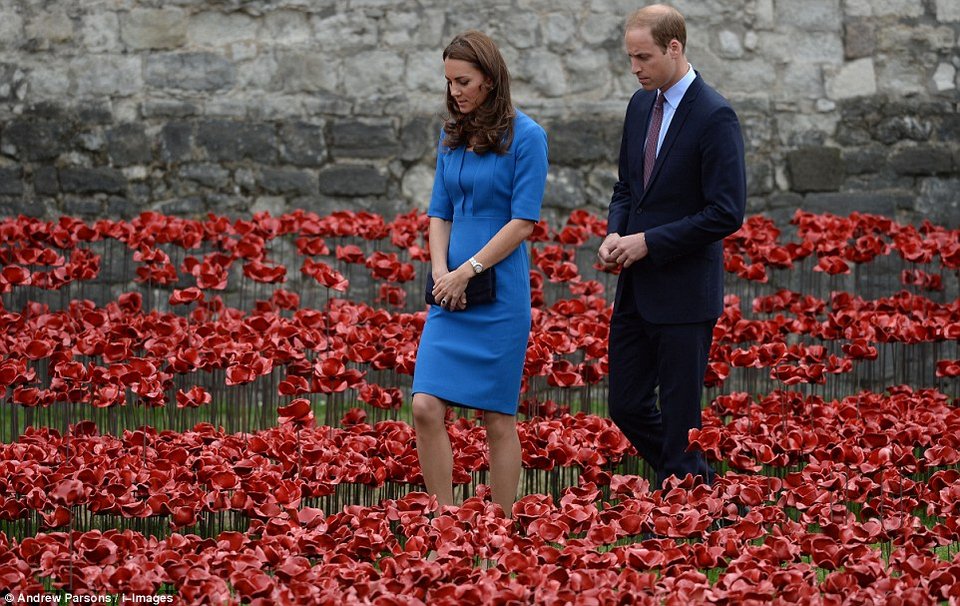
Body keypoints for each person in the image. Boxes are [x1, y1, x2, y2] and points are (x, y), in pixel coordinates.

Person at [597, 4, 746, 489]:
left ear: (674, 48)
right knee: (624, 404)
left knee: (682, 421)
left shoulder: (714, 115)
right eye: (630, 58)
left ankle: (691, 514)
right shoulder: (640, 105)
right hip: (637, 288)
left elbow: (726, 212)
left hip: (684, 295)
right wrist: (616, 234)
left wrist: (649, 243)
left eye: (643, 57)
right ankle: (698, 486)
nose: (635, 68)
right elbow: (626, 188)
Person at [411, 30, 548, 516]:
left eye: (463, 81)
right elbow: (438, 213)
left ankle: (504, 529)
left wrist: (468, 270)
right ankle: (443, 521)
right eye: (449, 82)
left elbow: (523, 220)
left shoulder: (528, 136)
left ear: (490, 80)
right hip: (450, 291)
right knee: (425, 406)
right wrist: (441, 272)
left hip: (499, 292)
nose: (455, 92)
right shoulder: (451, 137)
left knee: (497, 419)